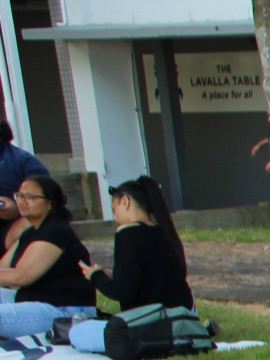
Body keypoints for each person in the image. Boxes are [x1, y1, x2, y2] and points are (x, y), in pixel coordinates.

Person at [78, 175, 194, 312]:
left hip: (152, 319)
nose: (116, 218)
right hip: (184, 315)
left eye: (114, 210)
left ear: (125, 201)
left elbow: (123, 292)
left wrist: (95, 275)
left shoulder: (128, 233)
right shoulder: (164, 232)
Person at [0, 175, 95, 338]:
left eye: (30, 197)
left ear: (50, 203)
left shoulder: (55, 232)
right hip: (34, 300)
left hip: (64, 310)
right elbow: (3, 268)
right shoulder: (30, 233)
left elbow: (21, 277)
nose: (22, 201)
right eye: (19, 196)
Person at [0, 117, 48, 235]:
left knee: (30, 225)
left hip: (13, 225)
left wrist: (17, 206)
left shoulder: (23, 161)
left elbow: (46, 197)